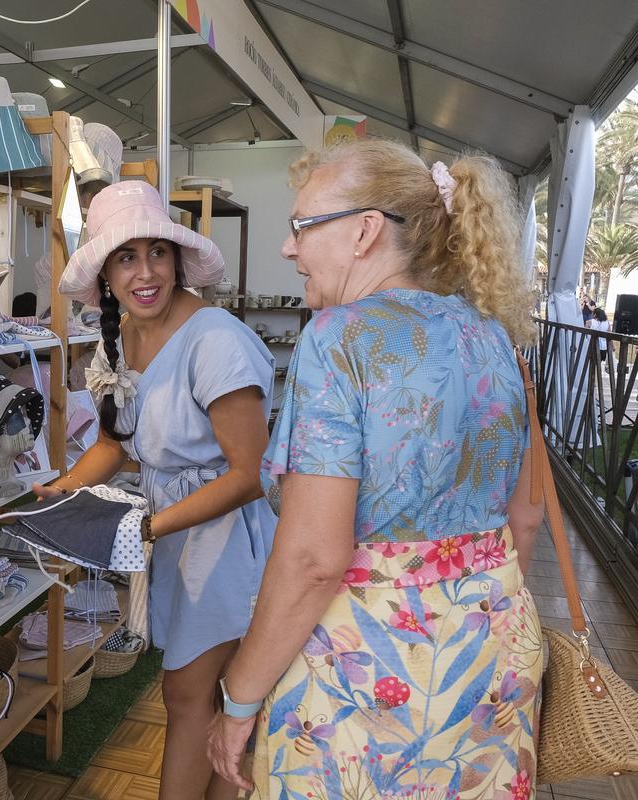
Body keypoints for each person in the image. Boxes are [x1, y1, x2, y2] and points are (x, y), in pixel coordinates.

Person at [206, 140, 546, 798]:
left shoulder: (338, 340)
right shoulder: (496, 338)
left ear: (364, 231)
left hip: (367, 673)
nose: (288, 246)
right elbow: (524, 518)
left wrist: (238, 701)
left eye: (302, 225)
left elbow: (313, 559)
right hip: (491, 660)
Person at [42, 180, 278, 800]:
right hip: (178, 536)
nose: (145, 272)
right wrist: (62, 491)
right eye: (126, 257)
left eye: (157, 253)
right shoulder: (119, 338)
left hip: (228, 545)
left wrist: (146, 528)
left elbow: (248, 474)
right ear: (105, 275)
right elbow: (115, 443)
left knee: (190, 694)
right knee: (220, 703)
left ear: (178, 260)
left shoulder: (215, 341)